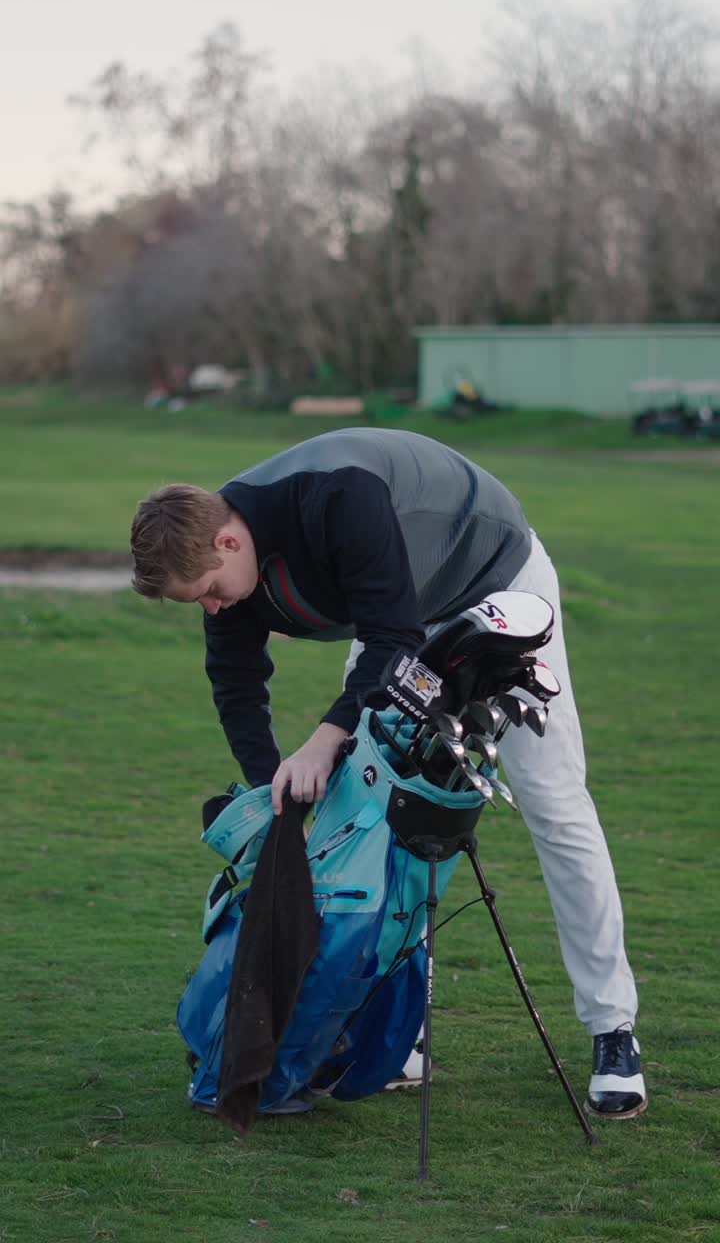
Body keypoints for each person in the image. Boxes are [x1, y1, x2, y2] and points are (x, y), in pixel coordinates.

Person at [130, 427, 646, 1120]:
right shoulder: (225, 565)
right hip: (402, 617)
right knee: (375, 825)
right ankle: (400, 1033)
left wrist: (326, 740)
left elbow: (394, 640)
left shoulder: (336, 498)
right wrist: (278, 795)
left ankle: (613, 1030)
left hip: (497, 583)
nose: (213, 608)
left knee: (553, 801)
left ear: (228, 541)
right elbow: (237, 683)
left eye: (209, 592)